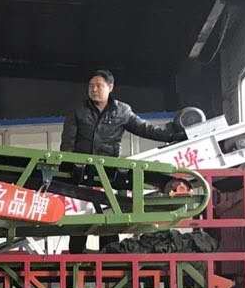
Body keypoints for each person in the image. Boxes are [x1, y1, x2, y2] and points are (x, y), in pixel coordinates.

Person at [60, 70, 183, 252]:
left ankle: (109, 258)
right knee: (79, 218)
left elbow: (144, 128)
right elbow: (67, 143)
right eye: (91, 86)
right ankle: (75, 260)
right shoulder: (78, 111)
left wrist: (172, 135)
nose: (94, 89)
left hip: (109, 172)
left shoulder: (122, 111)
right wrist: (68, 170)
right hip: (81, 172)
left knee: (110, 215)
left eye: (99, 85)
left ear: (110, 87)